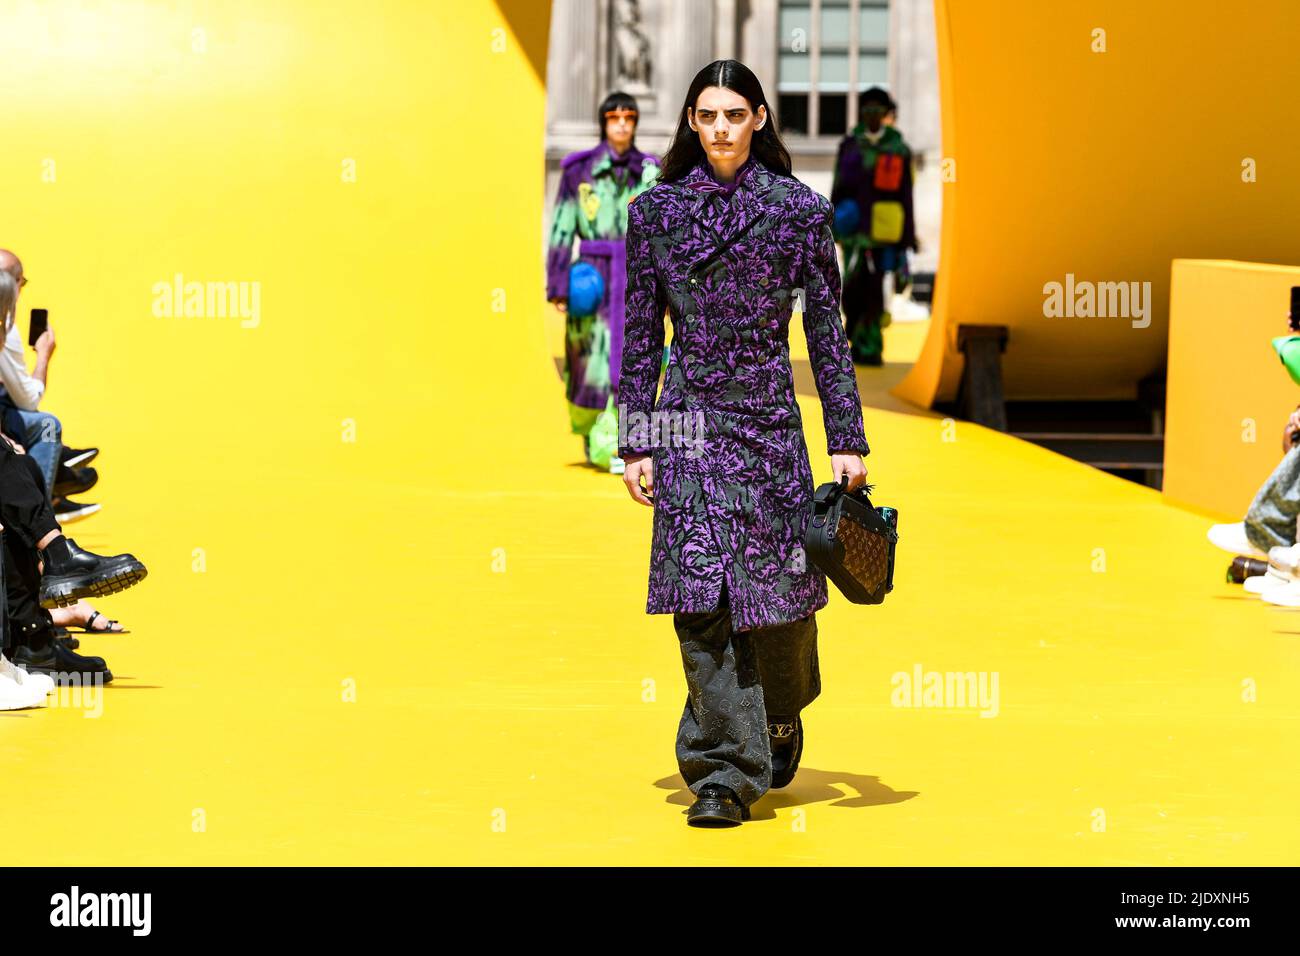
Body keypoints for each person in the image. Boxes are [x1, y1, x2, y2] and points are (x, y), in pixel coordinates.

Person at [618, 59, 871, 827]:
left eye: (736, 114)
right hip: (688, 420)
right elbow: (639, 336)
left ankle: (781, 713)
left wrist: (847, 440)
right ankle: (722, 772)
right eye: (708, 116)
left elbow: (825, 331)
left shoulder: (798, 212)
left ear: (759, 118)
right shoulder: (654, 213)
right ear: (692, 124)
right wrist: (638, 439)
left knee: (783, 599)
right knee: (702, 600)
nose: (722, 128)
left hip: (767, 425)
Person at [545, 92, 661, 474]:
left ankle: (624, 443)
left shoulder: (649, 171)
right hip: (592, 278)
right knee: (588, 358)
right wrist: (559, 283)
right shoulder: (579, 171)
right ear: (604, 122)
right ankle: (596, 437)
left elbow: (664, 230)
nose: (623, 124)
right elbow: (563, 227)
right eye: (614, 117)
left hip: (635, 275)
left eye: (630, 117)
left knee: (637, 352)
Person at [829, 88, 916, 366]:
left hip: (883, 231)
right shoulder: (850, 145)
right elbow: (838, 186)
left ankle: (871, 346)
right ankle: (854, 335)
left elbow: (906, 194)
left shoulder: (898, 149)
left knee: (876, 288)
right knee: (852, 286)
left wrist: (908, 235)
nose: (873, 115)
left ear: (887, 113)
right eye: (868, 110)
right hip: (854, 230)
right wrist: (830, 223)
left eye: (878, 110)